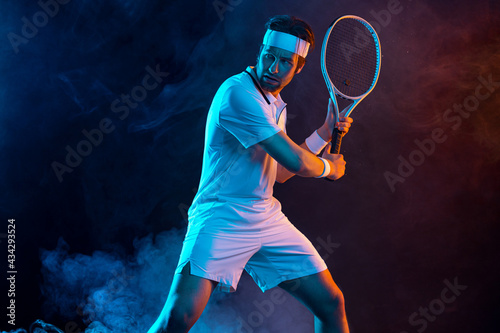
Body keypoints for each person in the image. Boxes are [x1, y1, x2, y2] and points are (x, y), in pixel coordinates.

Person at [148, 15, 353, 333]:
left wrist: (325, 132)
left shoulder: (274, 102)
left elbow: (281, 173)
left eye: (285, 61)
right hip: (221, 217)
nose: (273, 67)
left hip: (265, 218)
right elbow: (297, 163)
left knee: (331, 303)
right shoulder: (237, 94)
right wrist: (330, 167)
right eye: (269, 55)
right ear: (260, 51)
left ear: (298, 68)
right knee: (179, 318)